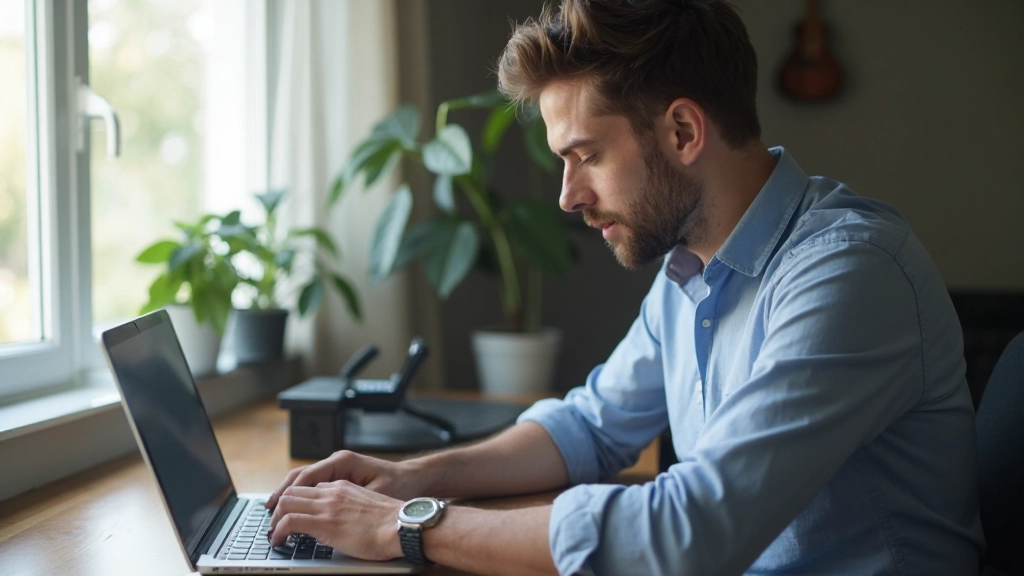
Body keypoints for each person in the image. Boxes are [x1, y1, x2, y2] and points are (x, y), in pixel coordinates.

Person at [266, 1, 985, 574]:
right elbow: (591, 425)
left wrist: (407, 527)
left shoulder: (848, 274)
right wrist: (408, 479)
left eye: (587, 156)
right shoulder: (691, 268)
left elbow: (690, 534)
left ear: (681, 132)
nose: (567, 196)